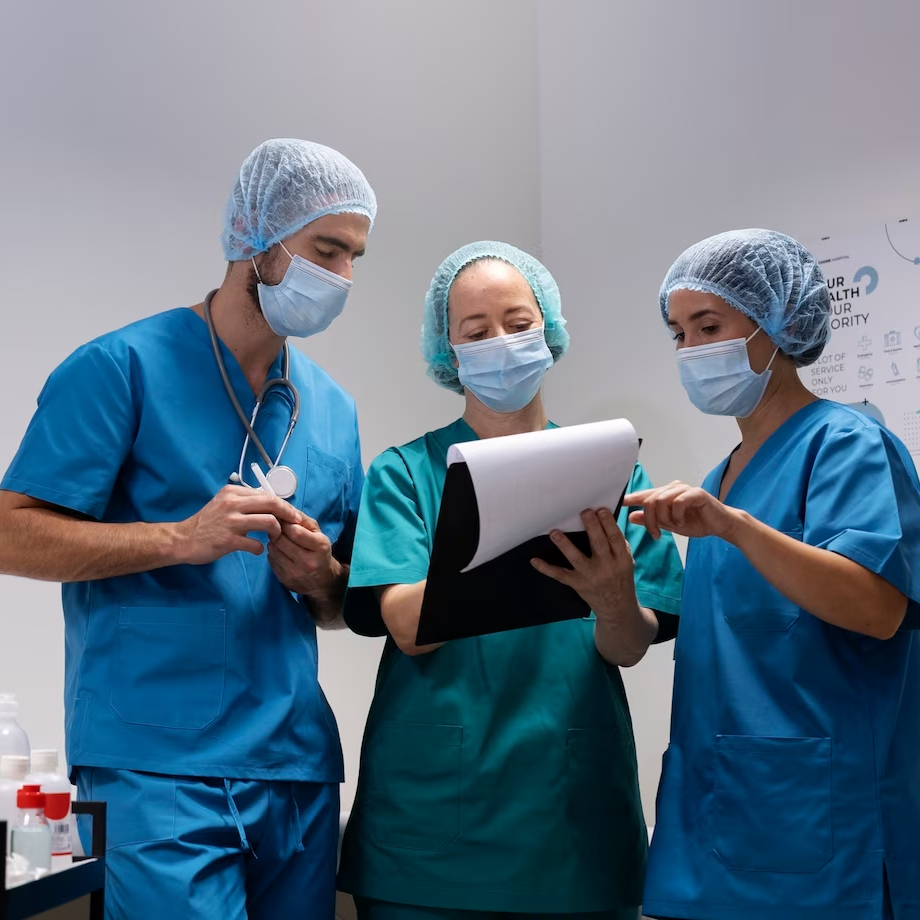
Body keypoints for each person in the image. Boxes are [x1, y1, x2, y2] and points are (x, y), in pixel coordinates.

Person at [0, 138, 376, 919]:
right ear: (256, 240)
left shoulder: (332, 410)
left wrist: (322, 580)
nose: (342, 279)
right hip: (157, 767)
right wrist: (180, 538)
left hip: (297, 765)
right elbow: (10, 532)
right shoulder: (120, 369)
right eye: (326, 250)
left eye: (354, 258)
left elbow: (344, 604)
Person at [337, 241, 684, 920]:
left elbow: (629, 643)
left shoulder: (612, 473)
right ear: (450, 351)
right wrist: (499, 532)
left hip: (571, 824)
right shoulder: (406, 474)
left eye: (519, 323)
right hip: (432, 837)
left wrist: (614, 601)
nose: (502, 342)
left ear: (549, 331)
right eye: (477, 330)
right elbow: (409, 626)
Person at [623, 230, 920, 920]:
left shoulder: (846, 445)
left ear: (780, 322)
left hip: (820, 827)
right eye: (678, 333)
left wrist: (734, 526)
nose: (692, 350)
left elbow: (876, 607)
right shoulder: (720, 478)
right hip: (718, 815)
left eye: (710, 326)